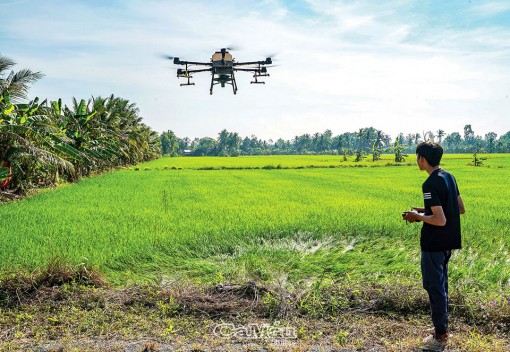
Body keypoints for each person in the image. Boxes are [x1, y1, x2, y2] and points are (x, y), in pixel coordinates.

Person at [403, 141, 465, 350]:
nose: (416, 161)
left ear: (422, 159)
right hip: (448, 243)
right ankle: (442, 327)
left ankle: (440, 336)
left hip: (434, 244)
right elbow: (459, 208)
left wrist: (416, 216)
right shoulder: (449, 177)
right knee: (442, 285)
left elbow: (440, 220)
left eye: (417, 157)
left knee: (434, 287)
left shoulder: (429, 184)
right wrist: (424, 209)